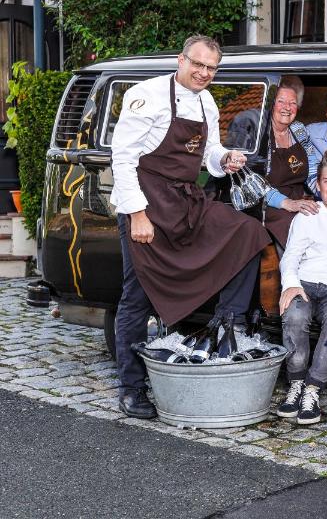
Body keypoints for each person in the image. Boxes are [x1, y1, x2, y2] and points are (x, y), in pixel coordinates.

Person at [110, 34, 270, 419]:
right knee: (137, 296)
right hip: (146, 203)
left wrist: (225, 158)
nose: (203, 73)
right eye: (197, 64)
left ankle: (227, 326)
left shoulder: (207, 101)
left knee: (247, 232)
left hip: (183, 201)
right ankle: (131, 388)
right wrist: (137, 214)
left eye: (211, 68)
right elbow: (123, 158)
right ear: (180, 60)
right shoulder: (146, 96)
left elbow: (208, 152)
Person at [277, 150, 327, 425]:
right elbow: (290, 256)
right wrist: (290, 284)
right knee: (295, 315)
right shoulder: (308, 214)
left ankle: (313, 387)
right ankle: (296, 382)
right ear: (318, 184)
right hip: (305, 282)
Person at [260, 77, 321, 249]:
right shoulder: (260, 133)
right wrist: (287, 203)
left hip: (299, 197)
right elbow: (253, 182)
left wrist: (324, 192)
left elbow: (312, 168)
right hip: (269, 203)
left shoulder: (299, 129)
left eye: (292, 103)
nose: (287, 107)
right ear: (271, 104)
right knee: (296, 225)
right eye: (281, 101)